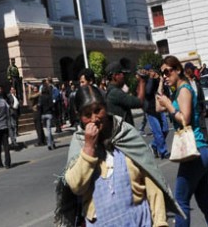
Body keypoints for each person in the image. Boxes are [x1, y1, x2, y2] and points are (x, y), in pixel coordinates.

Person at [55, 85, 182, 227]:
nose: (94, 118)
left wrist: (160, 222)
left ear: (106, 107)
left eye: (98, 110)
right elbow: (76, 186)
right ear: (79, 117)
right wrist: (89, 148)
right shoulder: (79, 143)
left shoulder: (126, 133)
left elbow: (151, 181)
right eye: (87, 115)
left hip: (139, 221)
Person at [156, 56, 208, 226]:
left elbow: (185, 119)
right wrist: (160, 84)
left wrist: (170, 105)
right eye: (162, 73)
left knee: (180, 201)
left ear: (178, 70)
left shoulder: (184, 90)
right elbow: (158, 107)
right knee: (205, 201)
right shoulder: (175, 90)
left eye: (167, 71)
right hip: (200, 152)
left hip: (195, 151)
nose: (165, 75)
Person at [105, 61, 146, 127]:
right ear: (115, 76)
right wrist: (142, 81)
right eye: (122, 74)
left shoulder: (112, 91)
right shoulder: (115, 93)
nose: (124, 76)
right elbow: (139, 102)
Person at [144, 65, 170, 159]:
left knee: (165, 130)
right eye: (150, 71)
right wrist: (151, 78)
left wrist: (162, 81)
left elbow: (166, 91)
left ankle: (154, 145)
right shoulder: (146, 80)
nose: (153, 73)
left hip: (160, 108)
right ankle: (163, 152)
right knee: (158, 132)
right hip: (151, 110)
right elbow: (147, 92)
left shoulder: (160, 80)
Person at [184, 62, 208, 142]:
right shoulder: (184, 81)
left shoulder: (196, 80)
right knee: (193, 128)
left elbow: (201, 95)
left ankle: (205, 142)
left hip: (199, 108)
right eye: (192, 69)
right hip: (190, 110)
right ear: (188, 70)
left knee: (203, 127)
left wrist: (204, 108)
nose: (194, 70)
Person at [40, 79, 55, 150]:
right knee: (49, 130)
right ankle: (50, 143)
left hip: (43, 115)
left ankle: (52, 142)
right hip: (49, 114)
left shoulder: (41, 98)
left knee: (47, 130)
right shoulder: (49, 97)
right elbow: (52, 106)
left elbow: (39, 106)